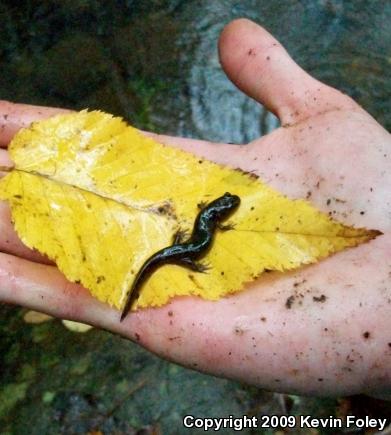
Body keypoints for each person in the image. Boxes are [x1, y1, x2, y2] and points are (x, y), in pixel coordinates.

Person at [0, 19, 390, 398]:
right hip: (184, 250)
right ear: (221, 212)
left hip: (184, 247)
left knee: (181, 251)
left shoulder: (210, 216)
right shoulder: (213, 221)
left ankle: (148, 278)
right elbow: (207, 223)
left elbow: (208, 217)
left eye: (224, 208)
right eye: (226, 207)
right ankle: (148, 277)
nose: (226, 208)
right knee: (182, 253)